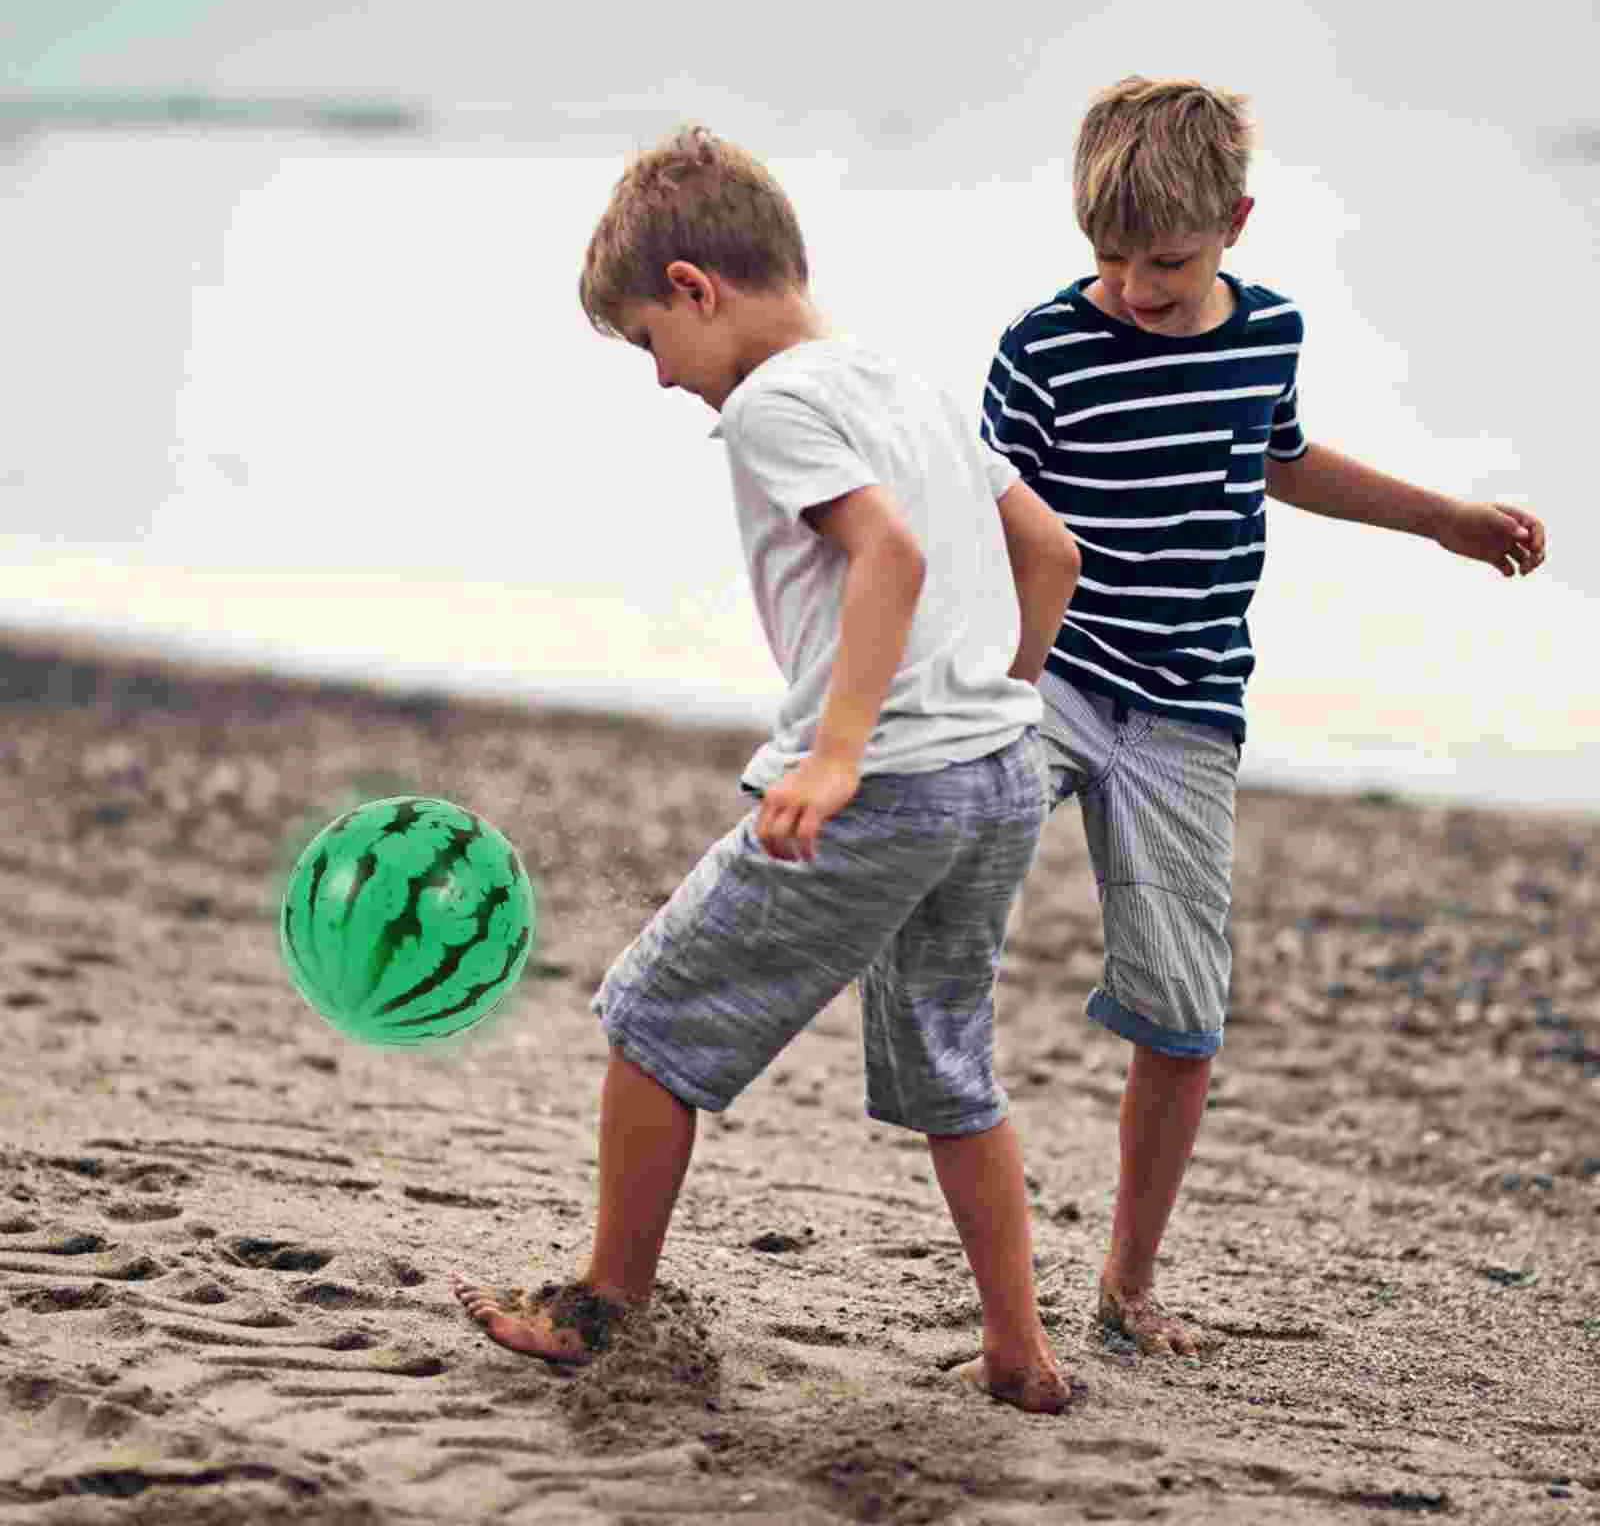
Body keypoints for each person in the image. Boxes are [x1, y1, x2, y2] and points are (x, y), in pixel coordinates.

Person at [451, 126, 1083, 1414]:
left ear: (694, 287)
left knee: (647, 1019)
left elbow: (889, 558)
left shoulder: (774, 404)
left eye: (646, 342)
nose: (661, 377)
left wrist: (842, 753)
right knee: (950, 1065)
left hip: (888, 782)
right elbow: (1051, 551)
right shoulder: (901, 383)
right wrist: (995, 698)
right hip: (997, 773)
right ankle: (1018, 1351)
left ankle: (599, 1310)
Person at [980, 76, 1548, 1356]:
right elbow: (983, 516)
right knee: (948, 864)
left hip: (1188, 705)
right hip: (1052, 675)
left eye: (1167, 260)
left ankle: (1127, 1288)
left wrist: (1442, 518)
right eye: (1109, 256)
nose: (1134, 285)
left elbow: (1280, 457)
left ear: (1235, 222)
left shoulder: (1267, 332)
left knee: (1182, 1015)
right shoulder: (1040, 348)